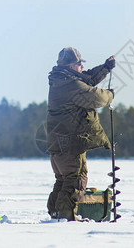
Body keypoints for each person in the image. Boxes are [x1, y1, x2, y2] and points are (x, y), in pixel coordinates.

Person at [46, 47, 115, 221]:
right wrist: (109, 95)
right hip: (69, 143)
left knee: (63, 180)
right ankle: (66, 219)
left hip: (59, 143)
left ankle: (56, 215)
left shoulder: (62, 80)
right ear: (71, 66)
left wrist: (105, 68)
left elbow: (88, 78)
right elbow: (95, 96)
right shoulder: (70, 85)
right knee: (76, 180)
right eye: (79, 64)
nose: (82, 67)